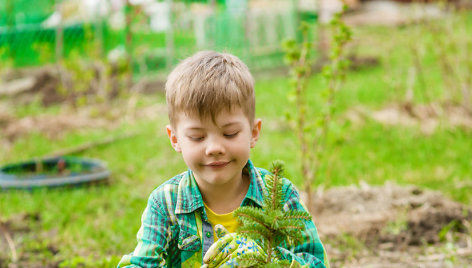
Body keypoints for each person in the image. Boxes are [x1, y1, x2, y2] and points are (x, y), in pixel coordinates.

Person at [118, 51, 329, 267]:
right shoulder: (166, 204)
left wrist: (267, 258)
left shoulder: (280, 197)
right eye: (197, 137)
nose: (215, 148)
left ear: (253, 133)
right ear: (175, 138)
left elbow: (314, 262)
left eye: (229, 134)